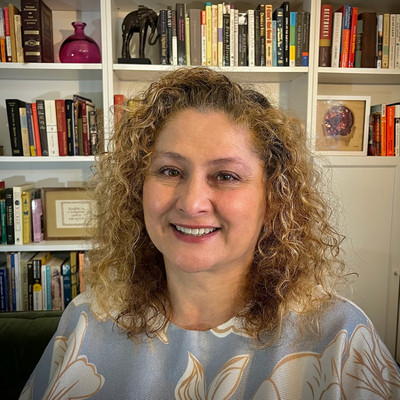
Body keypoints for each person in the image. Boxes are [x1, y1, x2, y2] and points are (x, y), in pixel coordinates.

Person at [20, 67, 400, 399]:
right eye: (170, 171)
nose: (192, 203)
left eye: (226, 176)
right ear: (138, 187)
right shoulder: (87, 319)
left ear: (274, 198)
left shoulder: (339, 339)